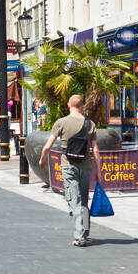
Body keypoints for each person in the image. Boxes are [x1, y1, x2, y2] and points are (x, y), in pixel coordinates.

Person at [40, 94, 102, 247]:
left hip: (68, 165)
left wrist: (42, 159)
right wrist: (99, 172)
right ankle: (85, 232)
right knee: (84, 201)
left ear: (69, 105)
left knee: (75, 200)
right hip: (86, 165)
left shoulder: (61, 122)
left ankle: (80, 236)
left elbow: (48, 146)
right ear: (82, 106)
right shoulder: (90, 124)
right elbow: (95, 150)